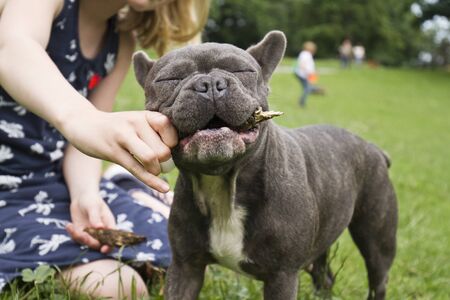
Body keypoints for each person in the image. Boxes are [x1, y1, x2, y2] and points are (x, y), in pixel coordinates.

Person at [0, 0, 209, 298]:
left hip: (54, 186)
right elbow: (14, 48)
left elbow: (82, 146)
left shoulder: (120, 40)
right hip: (6, 197)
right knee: (121, 287)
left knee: (186, 244)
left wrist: (85, 195)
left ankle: (123, 186)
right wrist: (82, 118)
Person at [294, 41, 325, 108]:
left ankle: (317, 89)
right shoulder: (306, 54)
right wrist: (309, 72)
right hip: (303, 74)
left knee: (307, 88)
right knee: (307, 89)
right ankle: (302, 103)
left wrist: (313, 71)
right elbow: (303, 64)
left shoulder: (305, 54)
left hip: (305, 74)